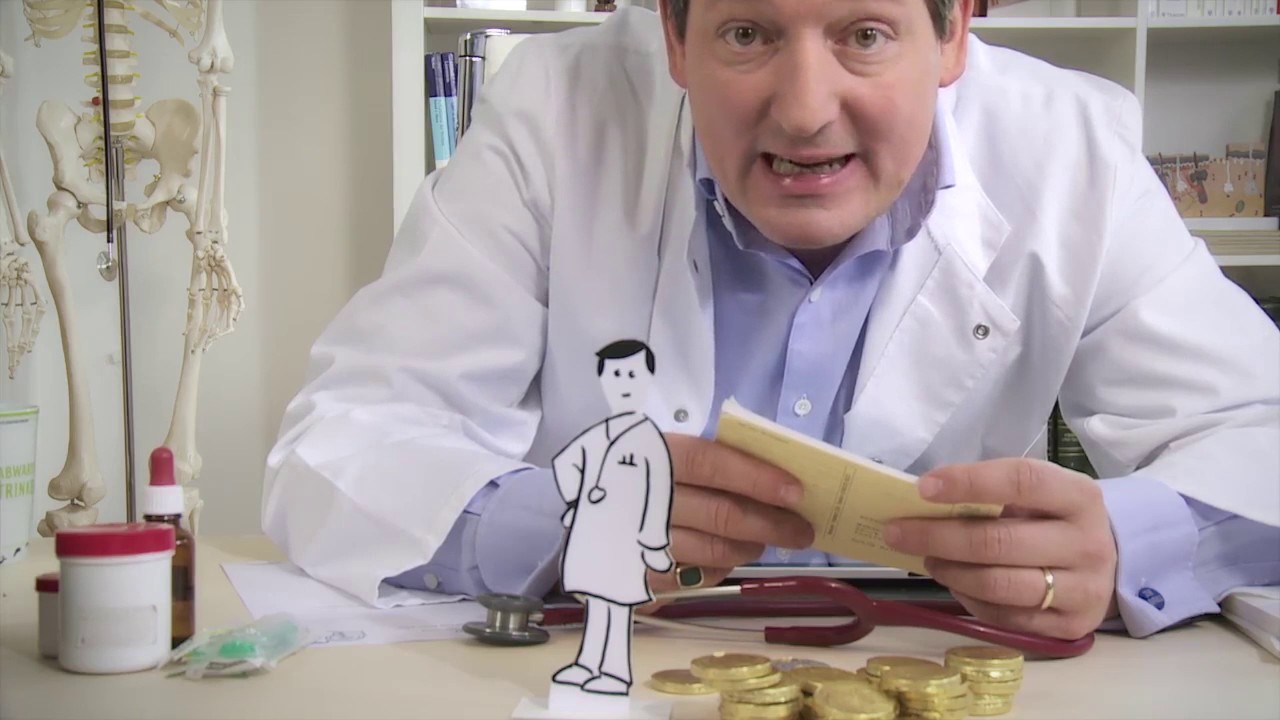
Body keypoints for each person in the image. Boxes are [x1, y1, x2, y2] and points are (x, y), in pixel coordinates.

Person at [262, 0, 1280, 643]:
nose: (803, 111)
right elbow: (339, 444)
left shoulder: (1069, 152)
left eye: (863, 35)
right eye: (747, 33)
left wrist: (1129, 545)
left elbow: (1259, 430)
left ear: (952, 36)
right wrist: (567, 529)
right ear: (673, 35)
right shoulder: (553, 115)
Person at [551, 339, 673, 695]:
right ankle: (587, 662)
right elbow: (565, 463)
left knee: (619, 606)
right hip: (591, 532)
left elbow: (659, 491)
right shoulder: (597, 433)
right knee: (594, 600)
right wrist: (575, 501)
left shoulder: (649, 439)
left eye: (633, 375)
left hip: (625, 539)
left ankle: (616, 671)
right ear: (602, 380)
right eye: (616, 375)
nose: (624, 383)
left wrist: (654, 542)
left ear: (650, 380)